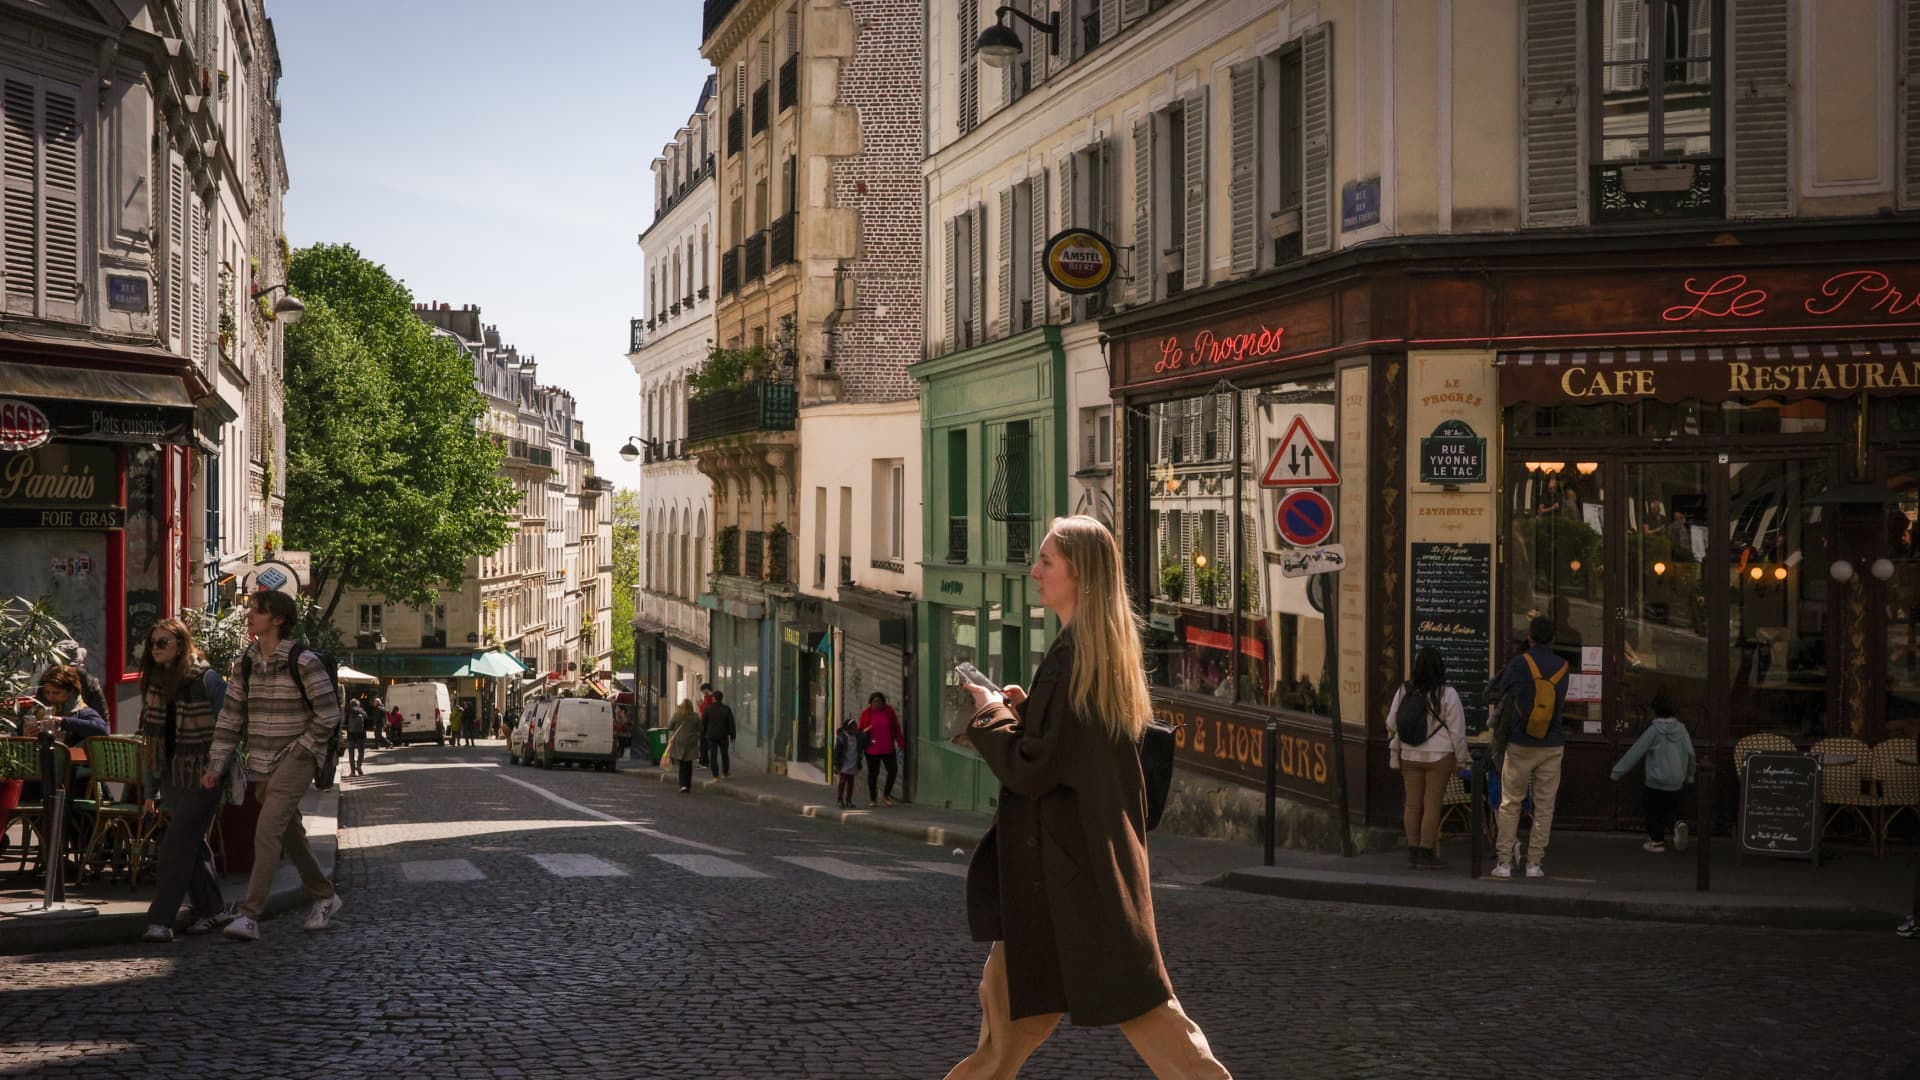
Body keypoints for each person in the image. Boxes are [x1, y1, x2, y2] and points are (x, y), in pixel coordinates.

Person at [946, 516, 1230, 1080]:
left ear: (1080, 574)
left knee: (1145, 1012)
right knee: (1009, 1014)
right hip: (1071, 869)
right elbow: (1068, 747)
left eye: (1047, 562)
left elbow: (1032, 770)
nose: (1035, 571)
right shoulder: (1096, 652)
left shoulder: (1075, 657)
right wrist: (1025, 712)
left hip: (1070, 876)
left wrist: (988, 711)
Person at [200, 589, 345, 942]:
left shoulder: (304, 661)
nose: (249, 616)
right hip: (262, 763)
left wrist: (302, 750)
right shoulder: (245, 663)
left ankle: (250, 915)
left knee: (266, 831)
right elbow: (230, 718)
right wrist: (216, 765)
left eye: (257, 611)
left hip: (296, 759)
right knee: (288, 831)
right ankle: (325, 895)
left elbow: (328, 714)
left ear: (278, 620)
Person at [135, 618, 229, 943]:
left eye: (163, 642)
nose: (155, 648)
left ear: (181, 644)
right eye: (152, 642)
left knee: (175, 843)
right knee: (191, 844)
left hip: (204, 773)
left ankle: (160, 920)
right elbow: (149, 740)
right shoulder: (153, 684)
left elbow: (229, 728)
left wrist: (216, 768)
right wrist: (150, 791)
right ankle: (213, 910)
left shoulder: (208, 679)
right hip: (173, 774)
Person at [1491, 614, 1570, 879]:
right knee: (1544, 806)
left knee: (1510, 803)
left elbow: (1500, 691)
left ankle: (1504, 862)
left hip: (1520, 742)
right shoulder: (1563, 666)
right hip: (1552, 743)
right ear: (1553, 639)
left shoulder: (1518, 663)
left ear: (1530, 638)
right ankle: (1534, 863)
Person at [1386, 646, 1471, 870]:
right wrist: (1461, 760)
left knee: (1412, 804)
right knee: (1432, 804)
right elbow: (1458, 732)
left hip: (1409, 754)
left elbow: (1390, 723)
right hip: (1439, 757)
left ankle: (1413, 852)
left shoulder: (1405, 690)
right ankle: (1426, 852)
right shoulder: (1448, 694)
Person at [1610, 690, 1696, 853]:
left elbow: (1636, 752)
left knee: (1653, 810)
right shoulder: (1682, 730)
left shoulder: (1654, 730)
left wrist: (1617, 772)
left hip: (1655, 781)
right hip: (1676, 780)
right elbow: (1691, 754)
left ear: (1654, 711)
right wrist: (1690, 775)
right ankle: (1676, 824)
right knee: (1670, 808)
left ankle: (1657, 842)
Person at [858, 691, 904, 807]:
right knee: (873, 774)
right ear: (870, 703)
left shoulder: (889, 712)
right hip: (871, 749)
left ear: (883, 703)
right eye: (874, 702)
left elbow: (896, 728)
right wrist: (862, 735)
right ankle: (873, 799)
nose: (877, 704)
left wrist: (901, 745)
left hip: (887, 748)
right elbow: (860, 730)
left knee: (893, 770)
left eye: (879, 701)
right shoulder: (866, 713)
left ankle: (886, 795)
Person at [665, 699, 703, 792]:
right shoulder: (695, 716)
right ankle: (688, 785)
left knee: (682, 764)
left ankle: (682, 785)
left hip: (680, 742)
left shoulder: (677, 715)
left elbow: (670, 727)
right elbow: (701, 729)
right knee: (689, 764)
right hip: (691, 742)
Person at [701, 690, 735, 780]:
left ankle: (715, 775)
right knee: (725, 754)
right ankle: (725, 772)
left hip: (711, 735)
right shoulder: (726, 709)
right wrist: (732, 735)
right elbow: (731, 723)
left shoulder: (708, 709)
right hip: (723, 735)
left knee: (713, 755)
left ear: (714, 698)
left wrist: (703, 733)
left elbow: (704, 722)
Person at [833, 717, 862, 809]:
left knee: (851, 783)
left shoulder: (857, 737)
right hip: (844, 764)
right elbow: (837, 752)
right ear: (847, 728)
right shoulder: (842, 738)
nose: (855, 729)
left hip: (853, 763)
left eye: (856, 727)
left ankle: (848, 800)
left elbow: (861, 746)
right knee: (842, 781)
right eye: (853, 727)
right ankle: (840, 799)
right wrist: (837, 765)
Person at [344, 698, 368, 777]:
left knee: (351, 754)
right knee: (361, 752)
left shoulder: (348, 713)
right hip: (361, 735)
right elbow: (367, 724)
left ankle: (352, 771)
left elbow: (345, 723)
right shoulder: (362, 712)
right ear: (358, 705)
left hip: (351, 735)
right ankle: (359, 765)